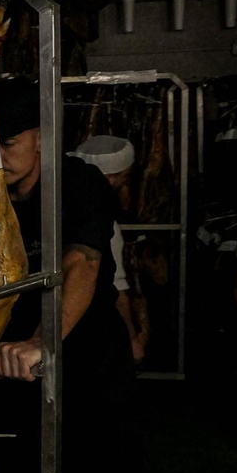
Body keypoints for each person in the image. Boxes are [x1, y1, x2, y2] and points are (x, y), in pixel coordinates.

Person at [0, 78, 137, 473]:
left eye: (7, 143)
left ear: (43, 138)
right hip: (15, 364)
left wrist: (42, 342)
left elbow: (82, 261)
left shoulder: (79, 181)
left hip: (85, 358)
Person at [74, 134, 149, 363]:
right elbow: (116, 291)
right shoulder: (105, 226)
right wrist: (132, 340)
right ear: (112, 178)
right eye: (123, 179)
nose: (123, 186)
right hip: (86, 327)